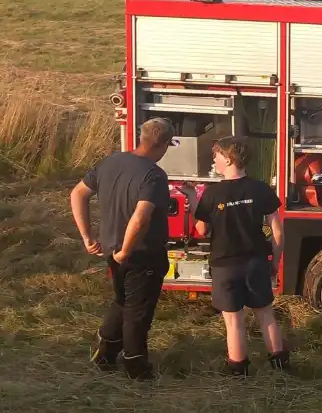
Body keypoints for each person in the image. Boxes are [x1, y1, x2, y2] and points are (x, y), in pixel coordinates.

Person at [70, 117, 175, 381]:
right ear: (162, 144)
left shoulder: (111, 162)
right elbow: (140, 218)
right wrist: (127, 250)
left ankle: (104, 353)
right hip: (142, 254)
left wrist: (88, 237)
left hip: (111, 248)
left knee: (122, 301)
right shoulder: (154, 175)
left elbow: (77, 194)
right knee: (138, 311)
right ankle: (136, 366)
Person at [193, 136, 289, 377]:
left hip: (225, 266)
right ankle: (280, 366)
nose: (213, 159)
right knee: (265, 314)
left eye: (216, 155)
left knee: (234, 322)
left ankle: (238, 370)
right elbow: (277, 231)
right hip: (255, 262)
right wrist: (275, 263)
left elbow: (202, 230)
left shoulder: (212, 194)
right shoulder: (260, 189)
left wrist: (193, 199)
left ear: (228, 159)